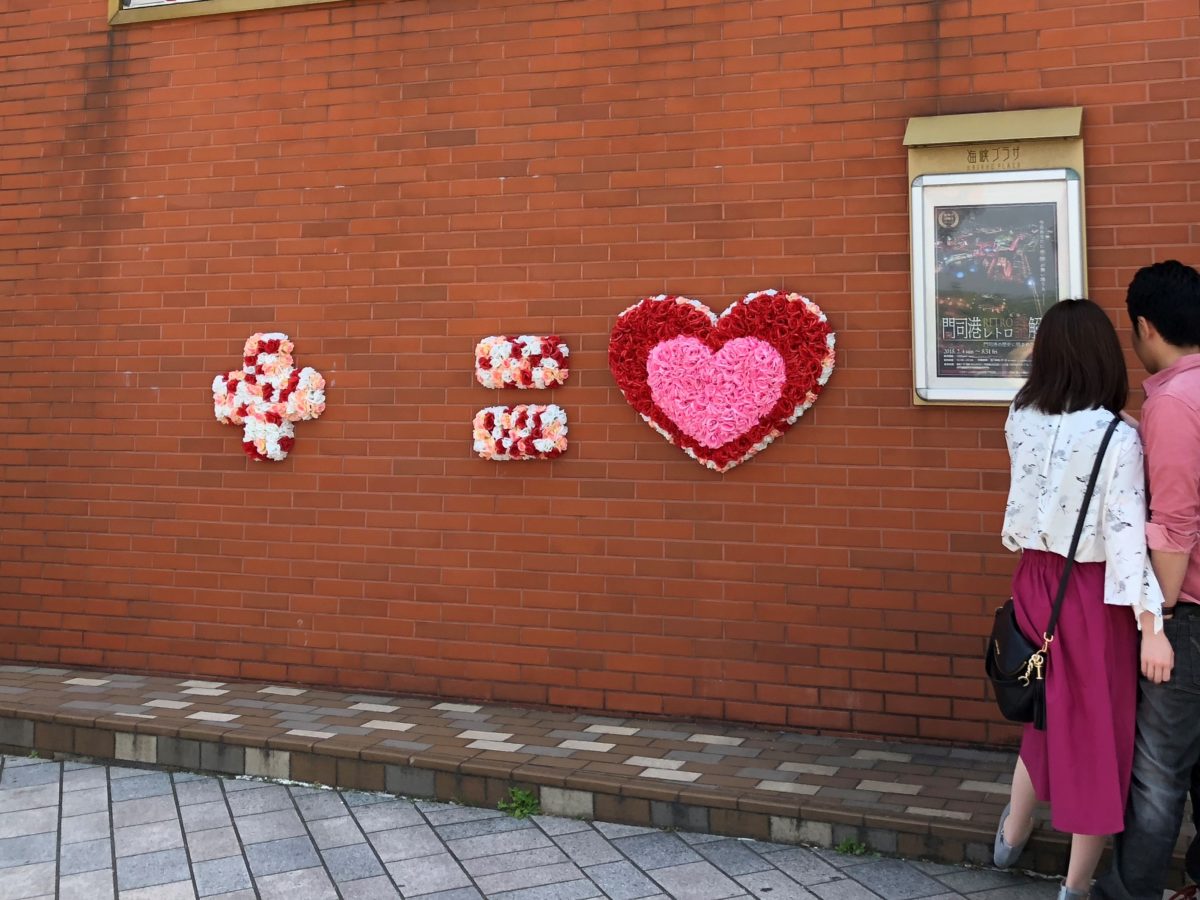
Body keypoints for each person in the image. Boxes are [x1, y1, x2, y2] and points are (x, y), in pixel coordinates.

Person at [992, 298, 1167, 899]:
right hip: (1088, 593)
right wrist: (1152, 624)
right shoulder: (1118, 435)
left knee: (1045, 705)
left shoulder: (1020, 416)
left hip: (1034, 579)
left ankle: (1011, 835)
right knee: (1097, 729)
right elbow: (1124, 538)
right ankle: (1075, 885)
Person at [1093, 260, 1200, 900]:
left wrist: (1155, 620)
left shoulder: (1173, 401)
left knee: (1160, 771)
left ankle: (1129, 893)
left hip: (1189, 611)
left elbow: (1175, 523)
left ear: (1145, 327)